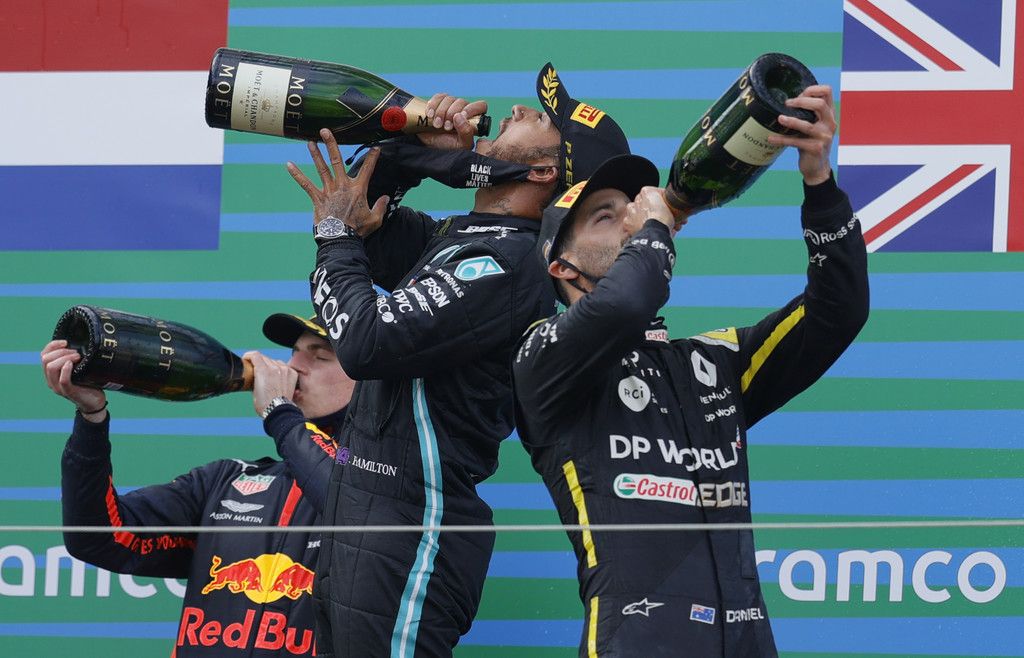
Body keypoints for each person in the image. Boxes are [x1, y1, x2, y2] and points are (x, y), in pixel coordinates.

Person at [284, 63, 634, 657]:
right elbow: (363, 221)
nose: (517, 110)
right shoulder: (467, 236)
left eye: (541, 118)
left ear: (543, 172)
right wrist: (415, 150)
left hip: (413, 531)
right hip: (368, 519)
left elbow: (364, 342)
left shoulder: (508, 266)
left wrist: (335, 236)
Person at [511, 85, 869, 657]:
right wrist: (653, 231)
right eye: (606, 217)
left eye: (633, 207)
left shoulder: (715, 360)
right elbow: (625, 304)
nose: (630, 219)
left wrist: (818, 181)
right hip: (637, 640)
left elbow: (839, 311)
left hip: (747, 640)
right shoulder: (544, 358)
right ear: (563, 266)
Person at [42, 312, 353, 657]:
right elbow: (97, 537)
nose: (294, 366)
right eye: (295, 351)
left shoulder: (389, 487)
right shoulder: (225, 481)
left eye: (320, 356)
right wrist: (92, 418)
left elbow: (348, 498)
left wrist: (280, 413)